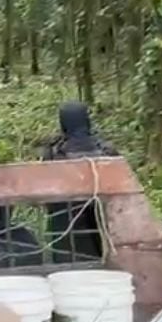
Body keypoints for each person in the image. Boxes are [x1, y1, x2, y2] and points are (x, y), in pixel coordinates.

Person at [42, 101, 118, 263]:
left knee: (66, 264)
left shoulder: (54, 152)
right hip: (102, 221)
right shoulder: (106, 150)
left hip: (64, 224)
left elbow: (44, 190)